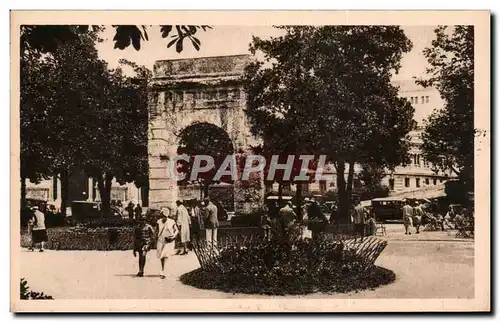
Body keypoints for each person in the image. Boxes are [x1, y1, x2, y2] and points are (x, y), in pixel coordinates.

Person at [156, 208, 179, 279]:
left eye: (164, 215)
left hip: (169, 241)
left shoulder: (172, 222)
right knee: (161, 255)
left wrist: (173, 237)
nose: (163, 217)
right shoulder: (159, 221)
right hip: (160, 240)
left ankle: (163, 271)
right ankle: (163, 269)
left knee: (166, 255)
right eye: (162, 215)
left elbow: (176, 230)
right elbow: (156, 231)